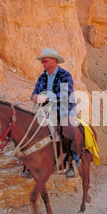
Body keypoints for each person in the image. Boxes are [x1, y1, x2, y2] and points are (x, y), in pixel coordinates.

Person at [31, 48, 80, 177]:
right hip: (46, 110)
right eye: (42, 61)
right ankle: (30, 163)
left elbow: (64, 95)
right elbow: (35, 92)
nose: (42, 63)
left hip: (64, 108)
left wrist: (47, 98)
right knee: (29, 127)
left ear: (53, 60)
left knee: (68, 128)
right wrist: (35, 97)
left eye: (45, 60)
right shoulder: (42, 77)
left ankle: (71, 161)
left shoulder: (65, 75)